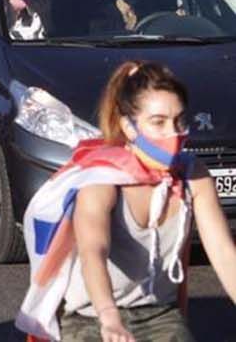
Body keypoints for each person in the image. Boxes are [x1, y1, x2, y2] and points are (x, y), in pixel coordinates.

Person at [17, 61, 236, 341]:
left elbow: (224, 255)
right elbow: (93, 252)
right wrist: (110, 319)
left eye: (179, 121)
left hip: (160, 315)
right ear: (129, 127)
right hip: (91, 318)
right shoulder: (102, 180)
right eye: (158, 122)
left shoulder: (193, 176)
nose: (173, 133)